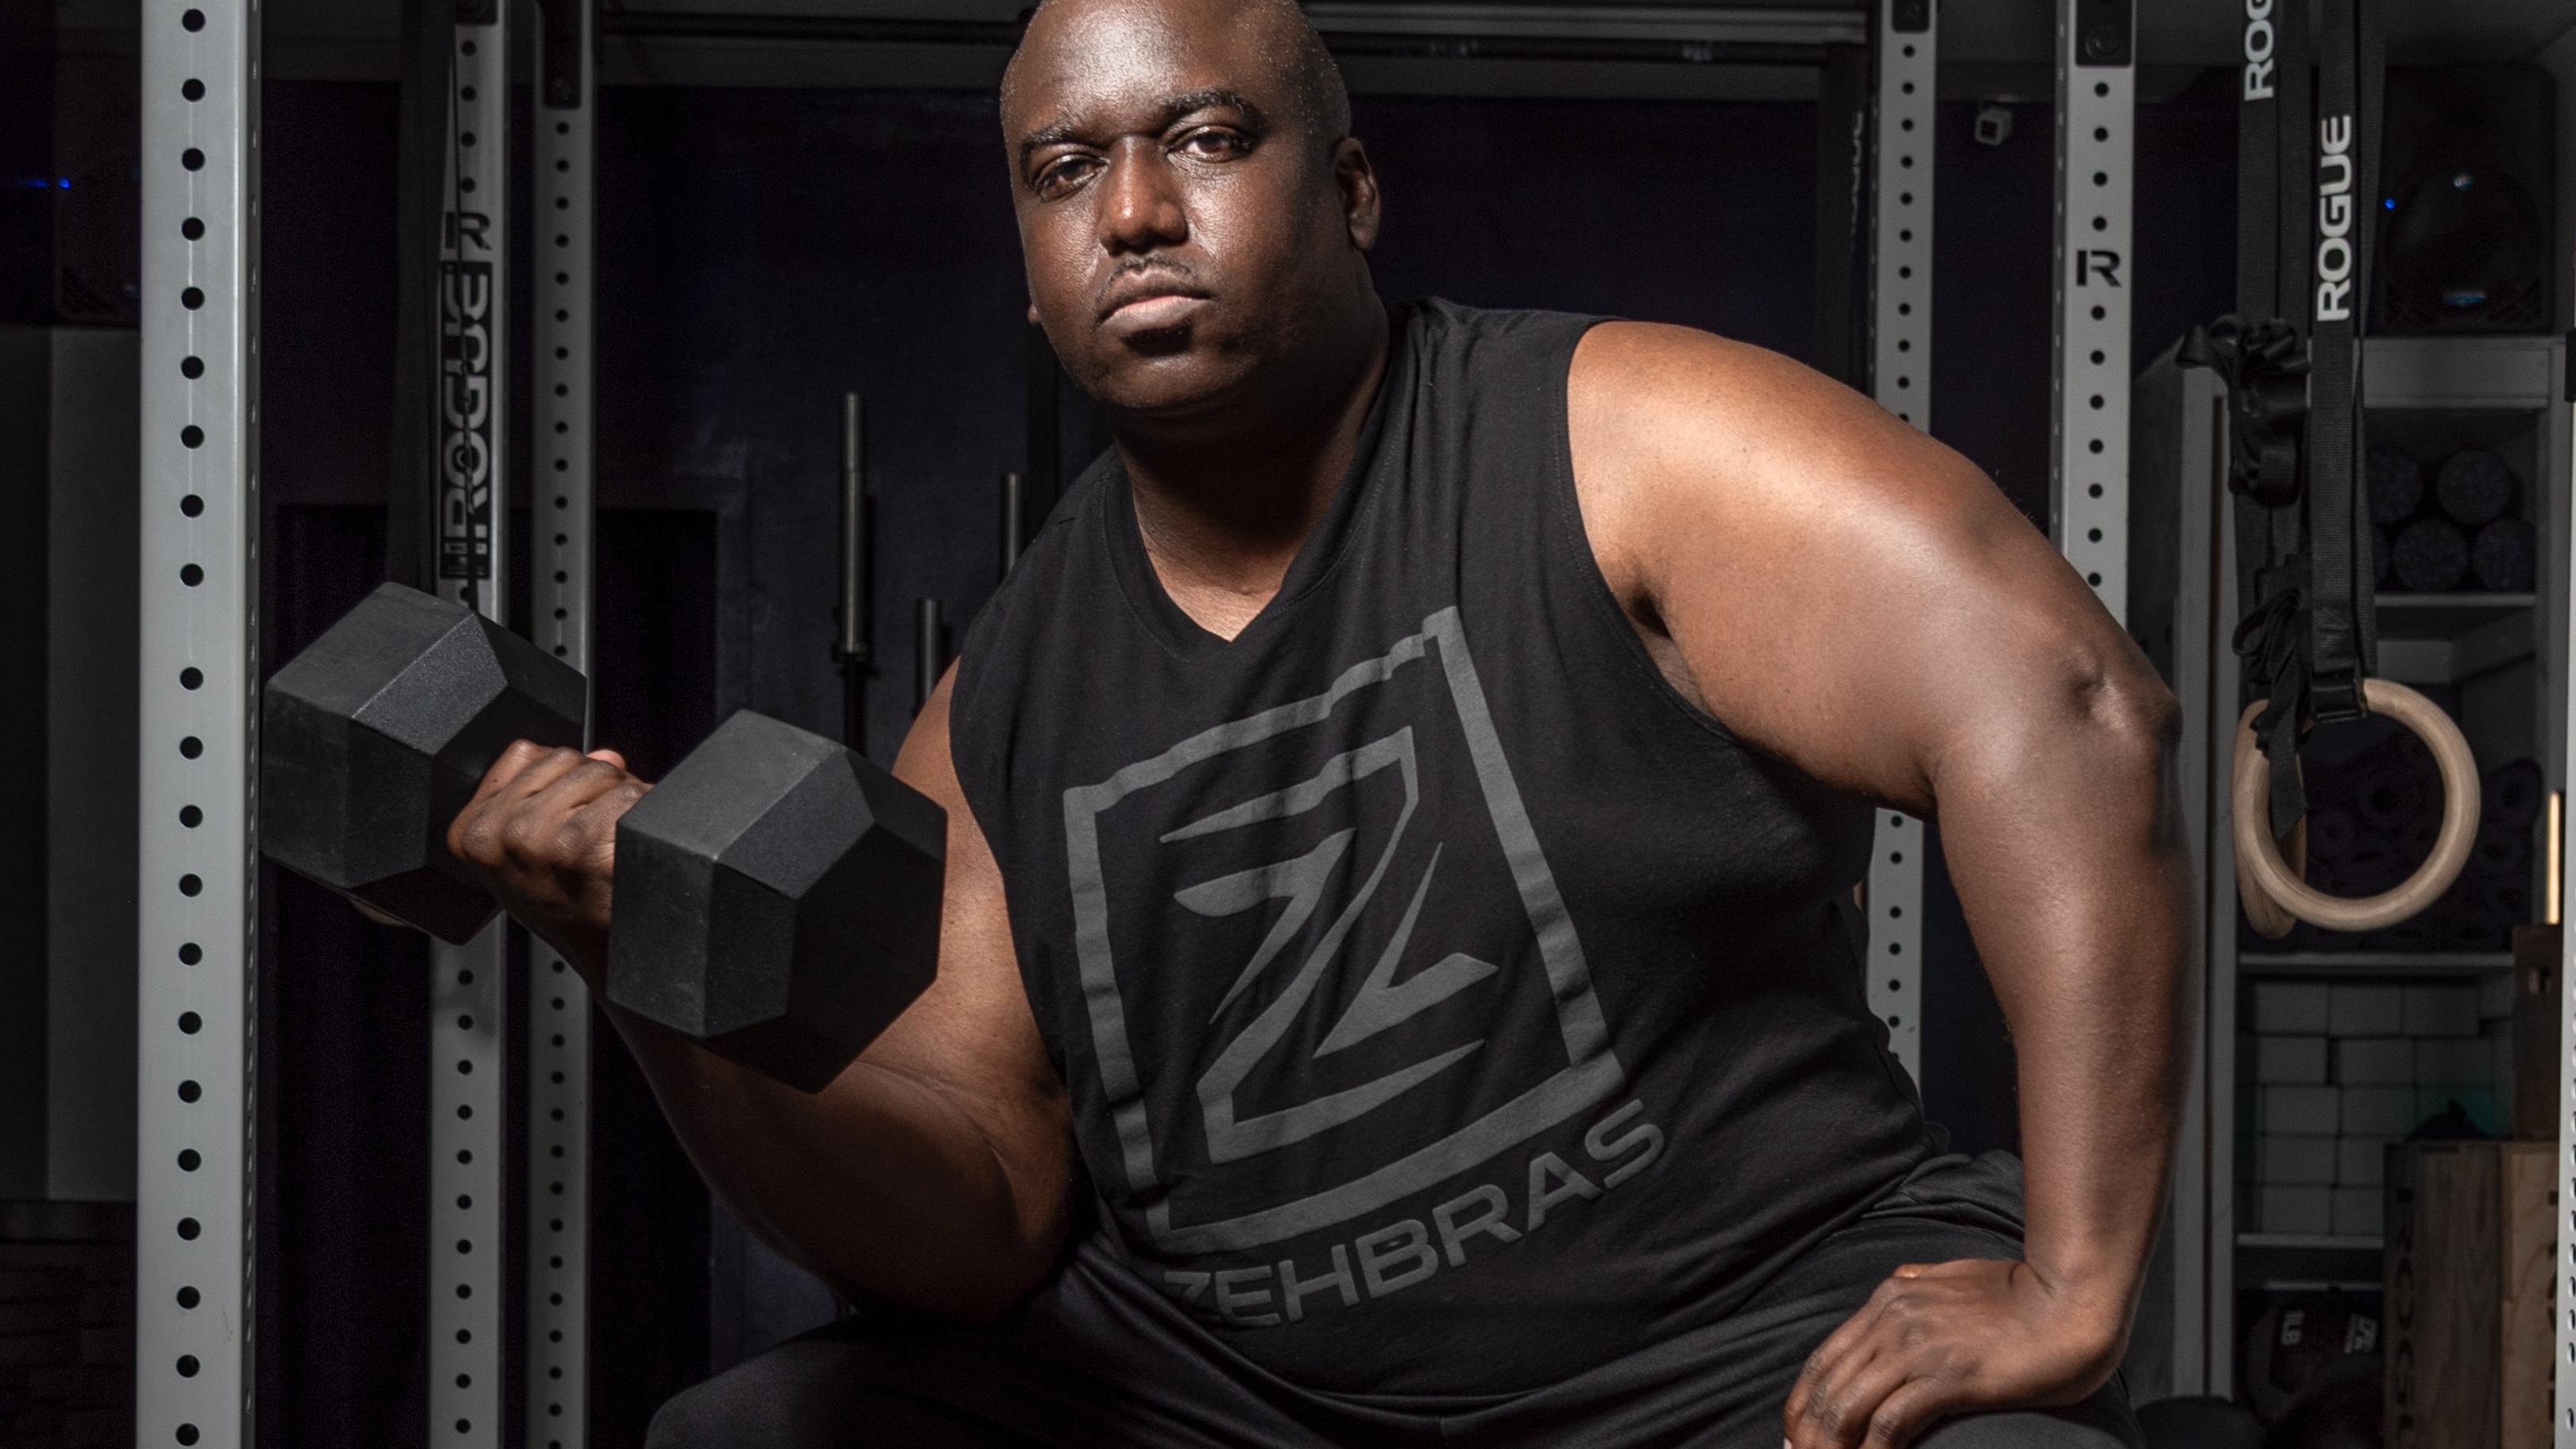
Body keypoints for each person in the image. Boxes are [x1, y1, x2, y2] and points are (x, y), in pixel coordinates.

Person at [443, 0, 2190, 1443]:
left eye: (1205, 139)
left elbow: (2064, 701)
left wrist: (2075, 1279)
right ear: (1030, 268)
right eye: (1066, 170)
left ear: (1350, 189)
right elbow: (975, 1219)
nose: (1134, 211)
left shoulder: (1620, 447)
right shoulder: (1005, 703)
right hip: (1243, 1401)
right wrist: (642, 962)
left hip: (1738, 1351)